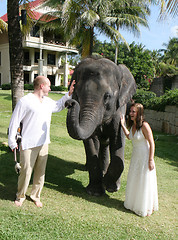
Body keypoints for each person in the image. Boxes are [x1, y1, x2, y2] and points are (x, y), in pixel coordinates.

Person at [8, 76, 75, 207]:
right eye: (48, 86)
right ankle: (20, 195)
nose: (50, 88)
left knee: (40, 172)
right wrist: (12, 141)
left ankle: (35, 195)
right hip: (28, 143)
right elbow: (15, 121)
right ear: (41, 86)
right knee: (26, 171)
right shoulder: (25, 101)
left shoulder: (47, 101)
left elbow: (58, 105)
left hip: (44, 142)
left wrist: (69, 94)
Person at [120, 102, 158, 217]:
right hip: (135, 157)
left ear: (139, 113)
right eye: (130, 111)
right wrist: (122, 124)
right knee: (135, 178)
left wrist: (150, 160)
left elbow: (151, 143)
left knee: (143, 180)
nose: (130, 113)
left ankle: (144, 207)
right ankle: (133, 204)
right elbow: (129, 136)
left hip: (144, 157)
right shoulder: (133, 126)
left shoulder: (145, 126)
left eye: (133, 112)